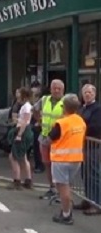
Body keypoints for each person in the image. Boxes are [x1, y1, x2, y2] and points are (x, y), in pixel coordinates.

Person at [48, 94, 86, 224]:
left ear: (64, 107)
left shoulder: (61, 123)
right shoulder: (80, 121)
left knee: (63, 187)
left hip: (61, 159)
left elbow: (49, 139)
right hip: (76, 159)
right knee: (67, 186)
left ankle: (66, 215)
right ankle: (66, 210)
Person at [34, 79, 65, 200]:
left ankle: (60, 191)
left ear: (63, 90)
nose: (56, 90)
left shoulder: (66, 101)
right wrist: (39, 121)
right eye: (54, 88)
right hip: (45, 137)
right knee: (47, 164)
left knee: (58, 166)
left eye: (59, 88)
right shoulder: (45, 99)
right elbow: (34, 110)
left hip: (59, 139)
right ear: (50, 89)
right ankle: (52, 188)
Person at [76, 84, 101, 215]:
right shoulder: (82, 108)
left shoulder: (97, 109)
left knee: (94, 174)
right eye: (85, 92)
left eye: (90, 92)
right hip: (83, 145)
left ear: (95, 94)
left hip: (94, 147)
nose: (87, 94)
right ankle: (87, 199)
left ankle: (97, 203)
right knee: (85, 174)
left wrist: (80, 128)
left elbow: (96, 126)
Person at [7, 87, 34, 190]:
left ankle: (17, 181)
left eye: (19, 93)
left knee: (13, 157)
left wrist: (19, 135)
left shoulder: (26, 107)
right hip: (23, 130)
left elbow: (25, 121)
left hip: (23, 132)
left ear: (24, 95)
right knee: (23, 157)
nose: (17, 95)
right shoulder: (25, 106)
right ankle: (28, 181)